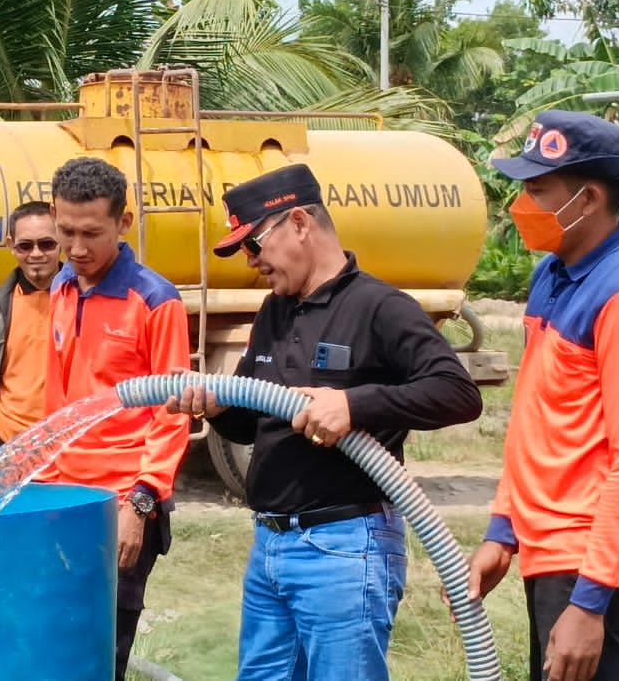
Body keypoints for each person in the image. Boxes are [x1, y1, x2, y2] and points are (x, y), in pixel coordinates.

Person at [164, 163, 483, 681]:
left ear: (298, 223)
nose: (252, 263)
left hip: (342, 546)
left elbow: (457, 393)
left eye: (254, 245)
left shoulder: (380, 307)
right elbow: (255, 426)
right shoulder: (275, 310)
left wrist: (354, 405)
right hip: (270, 543)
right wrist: (221, 410)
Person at [465, 110, 619, 681]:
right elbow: (537, 419)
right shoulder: (552, 274)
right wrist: (502, 531)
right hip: (548, 550)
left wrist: (589, 603)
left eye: (538, 190)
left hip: (591, 562)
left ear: (586, 199)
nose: (522, 205)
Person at [38, 157, 191, 681]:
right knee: (56, 636)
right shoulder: (61, 286)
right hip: (62, 497)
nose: (77, 248)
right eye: (66, 232)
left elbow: (173, 413)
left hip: (122, 503)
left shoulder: (154, 300)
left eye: (92, 234)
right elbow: (57, 401)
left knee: (104, 650)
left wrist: (140, 503)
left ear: (124, 225)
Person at [0, 200, 62, 447]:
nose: (36, 254)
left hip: (68, 449)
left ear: (62, 240)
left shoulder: (84, 301)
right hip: (5, 447)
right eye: (25, 246)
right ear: (11, 245)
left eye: (47, 244)